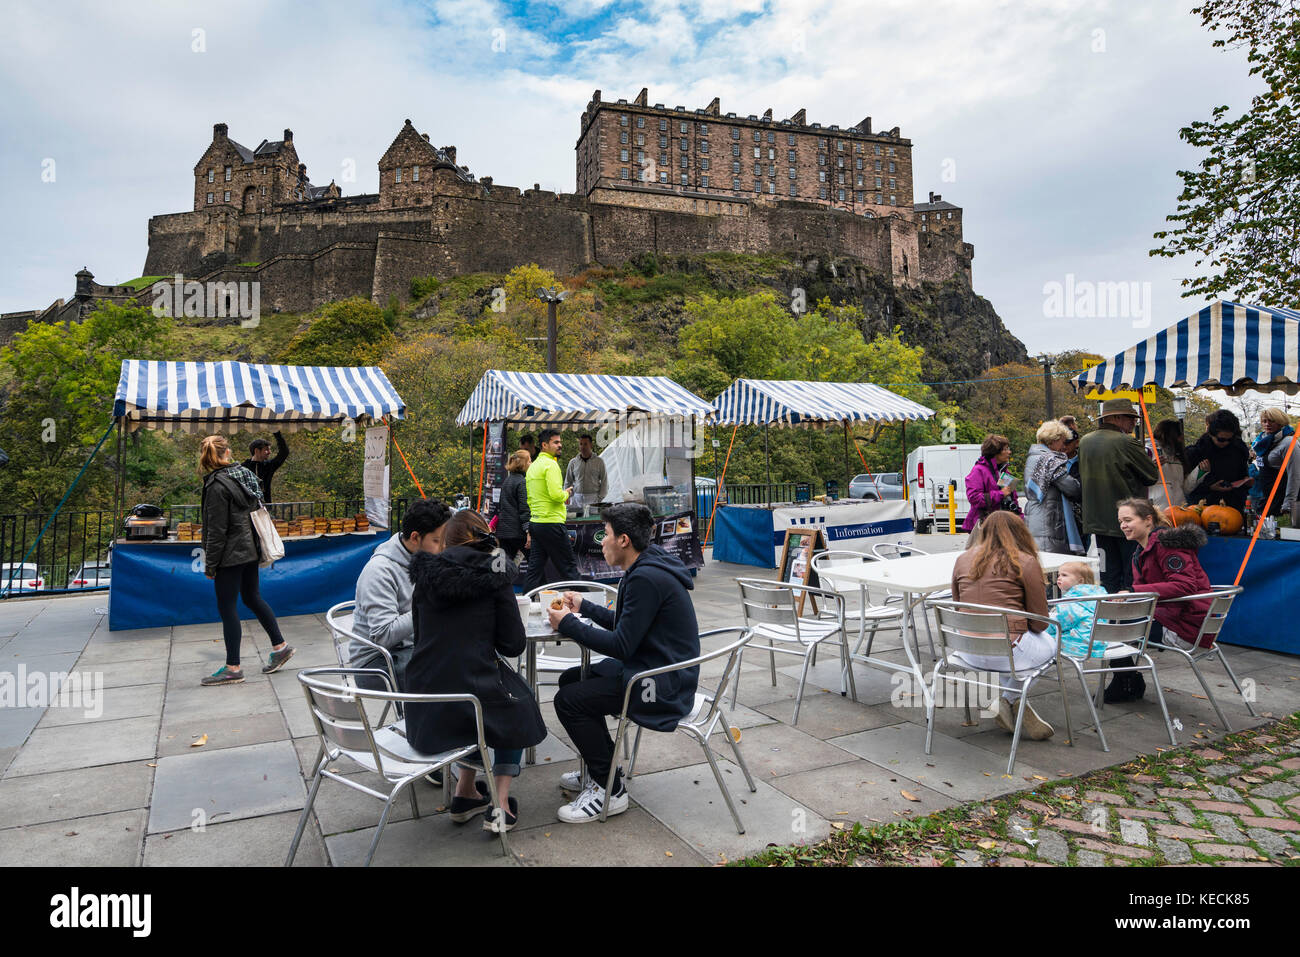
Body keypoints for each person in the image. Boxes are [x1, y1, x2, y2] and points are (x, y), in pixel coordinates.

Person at [547, 503, 699, 823]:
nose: (602, 541)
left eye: (607, 534)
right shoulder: (645, 568)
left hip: (662, 683)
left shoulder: (646, 578)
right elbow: (626, 624)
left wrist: (568, 625)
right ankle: (601, 764)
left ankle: (609, 790)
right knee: (571, 681)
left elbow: (621, 644)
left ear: (624, 540)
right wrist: (584, 607)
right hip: (654, 669)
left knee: (568, 701)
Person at [405, 510, 546, 833]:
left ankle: (465, 792)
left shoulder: (424, 578)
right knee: (514, 700)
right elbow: (513, 645)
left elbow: (420, 634)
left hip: (424, 698)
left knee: (478, 695)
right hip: (470, 694)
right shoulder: (496, 577)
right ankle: (500, 802)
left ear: (447, 542)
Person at [949, 510, 1055, 740]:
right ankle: (1010, 699)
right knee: (1052, 646)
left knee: (1022, 651)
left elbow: (958, 606)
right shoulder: (1024, 561)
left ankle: (1009, 701)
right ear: (1021, 532)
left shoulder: (962, 559)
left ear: (983, 531)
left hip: (966, 650)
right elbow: (1039, 623)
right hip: (1007, 651)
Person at [198, 435, 293, 685]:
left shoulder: (216, 485)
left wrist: (211, 564)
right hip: (250, 548)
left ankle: (233, 667)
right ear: (227, 452)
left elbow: (217, 530)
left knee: (227, 607)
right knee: (252, 597)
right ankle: (280, 646)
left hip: (230, 554)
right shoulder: (244, 476)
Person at [1112, 498, 1214, 702]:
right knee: (1112, 619)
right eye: (1120, 521)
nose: (1123, 525)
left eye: (1128, 520)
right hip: (1173, 618)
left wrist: (1132, 591)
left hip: (1187, 626)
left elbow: (1185, 585)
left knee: (1112, 628)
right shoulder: (1141, 551)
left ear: (1148, 520)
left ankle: (1126, 682)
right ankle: (1126, 680)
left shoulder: (1166, 545)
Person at [349, 498, 452, 690]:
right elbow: (384, 634)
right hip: (377, 663)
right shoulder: (380, 570)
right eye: (437, 541)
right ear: (415, 537)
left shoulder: (427, 557)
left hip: (412, 648)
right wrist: (429, 606)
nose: (444, 548)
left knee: (471, 658)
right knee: (450, 676)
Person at [1078, 399, 1158, 592]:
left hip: (1097, 520)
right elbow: (1151, 476)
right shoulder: (1127, 442)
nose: (1134, 422)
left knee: (1108, 577)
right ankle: (1130, 619)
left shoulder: (1085, 441)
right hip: (1128, 520)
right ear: (1116, 418)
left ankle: (1111, 617)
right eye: (1130, 418)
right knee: (1132, 576)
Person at [524, 429, 579, 589]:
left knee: (535, 569)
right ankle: (585, 602)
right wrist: (566, 493)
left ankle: (524, 604)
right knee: (569, 567)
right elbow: (555, 495)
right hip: (552, 523)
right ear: (544, 445)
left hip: (536, 522)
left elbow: (530, 497)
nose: (560, 445)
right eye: (556, 442)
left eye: (560, 442)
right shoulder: (551, 464)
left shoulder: (533, 467)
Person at [1023, 420, 1081, 554]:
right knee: (1052, 564)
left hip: (1036, 515)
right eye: (1062, 441)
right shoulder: (1050, 459)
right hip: (1048, 519)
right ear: (1053, 441)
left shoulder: (1034, 457)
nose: (1064, 446)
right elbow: (1072, 488)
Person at [1184, 409, 1250, 511]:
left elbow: (1242, 473)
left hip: (1233, 504)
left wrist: (1245, 482)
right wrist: (1209, 486)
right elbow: (1187, 487)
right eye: (1221, 439)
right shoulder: (1195, 452)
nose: (1226, 443)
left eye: (1230, 439)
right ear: (1211, 434)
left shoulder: (1239, 449)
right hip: (1204, 505)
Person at [962, 434, 1022, 533]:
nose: (1009, 452)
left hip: (1005, 526)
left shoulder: (1005, 473)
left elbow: (1013, 500)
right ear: (995, 452)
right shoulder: (978, 471)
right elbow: (974, 498)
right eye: (1006, 449)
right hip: (985, 526)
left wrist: (1020, 519)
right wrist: (1000, 494)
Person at [1050, 561, 1108, 659]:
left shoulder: (1073, 599)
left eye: (1064, 575)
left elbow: (1060, 624)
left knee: (1043, 638)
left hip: (1080, 646)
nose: (1059, 578)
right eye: (1058, 574)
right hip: (1099, 643)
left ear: (1080, 581)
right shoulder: (1098, 595)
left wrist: (1043, 627)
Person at [1253, 408, 1295, 516]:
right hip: (1266, 498)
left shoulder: (1288, 443)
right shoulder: (1262, 442)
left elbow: (1295, 475)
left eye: (1272, 421)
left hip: (1281, 501)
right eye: (1264, 421)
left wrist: (1288, 503)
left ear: (1281, 422)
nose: (1267, 424)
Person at [495, 450, 531, 563]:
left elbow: (501, 506)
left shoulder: (507, 481)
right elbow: (524, 509)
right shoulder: (522, 482)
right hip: (518, 532)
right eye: (529, 461)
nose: (531, 463)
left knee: (504, 566)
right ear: (523, 464)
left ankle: (500, 581)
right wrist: (528, 532)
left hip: (504, 532)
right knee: (534, 562)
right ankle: (541, 581)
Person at [1147, 418, 1190, 510]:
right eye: (1179, 435)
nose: (1181, 439)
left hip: (1179, 507)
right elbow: (1138, 479)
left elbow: (1184, 487)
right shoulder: (1149, 451)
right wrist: (1151, 467)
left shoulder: (1178, 456)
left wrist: (1200, 471)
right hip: (1158, 508)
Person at [242, 432, 289, 505]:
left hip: (266, 507)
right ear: (257, 451)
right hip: (248, 508)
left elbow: (284, 452)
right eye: (266, 450)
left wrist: (276, 433)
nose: (269, 452)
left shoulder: (269, 465)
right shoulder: (243, 467)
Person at [564, 433, 609, 505]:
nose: (582, 447)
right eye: (581, 444)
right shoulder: (573, 462)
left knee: (593, 516)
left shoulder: (599, 462)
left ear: (591, 445)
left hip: (593, 498)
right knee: (577, 516)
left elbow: (604, 482)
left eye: (585, 444)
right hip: (576, 498)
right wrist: (568, 496)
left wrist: (600, 498)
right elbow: (568, 481)